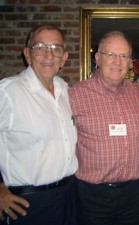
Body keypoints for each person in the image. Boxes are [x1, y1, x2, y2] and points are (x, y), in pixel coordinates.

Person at [0, 24, 78, 225]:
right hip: (27, 203)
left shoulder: (65, 90)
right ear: (27, 53)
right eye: (40, 46)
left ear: (64, 57)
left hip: (69, 196)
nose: (49, 55)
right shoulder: (8, 92)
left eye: (56, 48)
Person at [68, 31, 139, 225]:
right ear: (98, 58)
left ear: (130, 62)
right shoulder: (74, 95)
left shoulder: (138, 94)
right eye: (110, 54)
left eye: (124, 55)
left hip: (131, 194)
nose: (117, 61)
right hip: (92, 195)